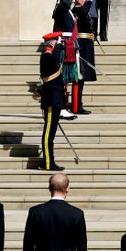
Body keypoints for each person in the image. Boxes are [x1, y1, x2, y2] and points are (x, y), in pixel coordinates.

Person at [23, 173, 87, 251]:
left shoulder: (36, 212)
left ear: (49, 188)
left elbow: (28, 245)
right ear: (67, 189)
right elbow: (82, 247)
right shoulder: (76, 214)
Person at [38, 31, 73, 172]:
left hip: (56, 99)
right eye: (56, 41)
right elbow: (55, 58)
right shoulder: (46, 56)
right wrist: (58, 45)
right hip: (51, 100)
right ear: (52, 43)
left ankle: (50, 161)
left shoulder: (52, 56)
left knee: (51, 133)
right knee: (48, 133)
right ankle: (48, 163)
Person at [71, 0, 96, 115]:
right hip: (81, 45)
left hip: (87, 45)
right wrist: (88, 2)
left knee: (82, 77)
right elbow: (84, 11)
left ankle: (78, 104)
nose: (86, 1)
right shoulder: (77, 10)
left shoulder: (81, 10)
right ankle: (76, 106)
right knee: (79, 77)